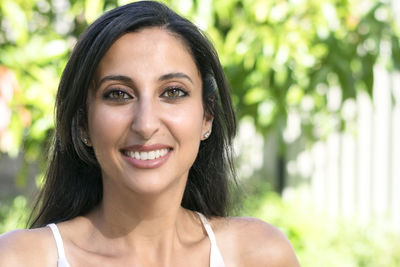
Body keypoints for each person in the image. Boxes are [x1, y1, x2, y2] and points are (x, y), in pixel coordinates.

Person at [0, 1, 300, 266]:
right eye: (119, 94)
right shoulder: (21, 258)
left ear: (207, 116)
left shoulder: (260, 255)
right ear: (82, 124)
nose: (145, 124)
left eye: (172, 92)